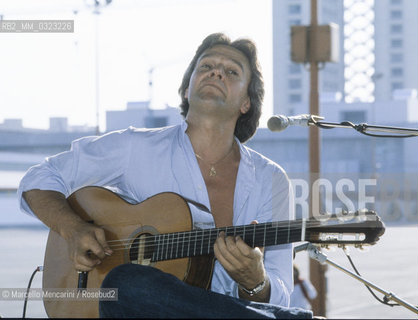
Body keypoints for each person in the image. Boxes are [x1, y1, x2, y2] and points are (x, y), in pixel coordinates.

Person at [18, 33, 313, 318]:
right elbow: (39, 177)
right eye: (206, 67)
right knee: (127, 282)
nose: (216, 74)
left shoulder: (271, 180)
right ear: (187, 89)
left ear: (246, 103)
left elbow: (279, 294)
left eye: (231, 72)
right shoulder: (135, 147)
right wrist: (73, 228)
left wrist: (254, 280)